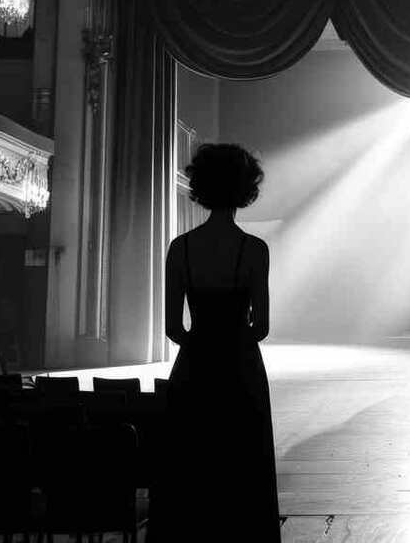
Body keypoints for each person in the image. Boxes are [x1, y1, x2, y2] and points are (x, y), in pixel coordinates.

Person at [149, 144, 280, 541]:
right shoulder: (254, 250)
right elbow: (261, 327)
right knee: (242, 468)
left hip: (195, 369)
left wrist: (201, 345)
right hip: (241, 368)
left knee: (190, 467)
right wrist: (233, 342)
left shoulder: (181, 248)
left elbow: (174, 327)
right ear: (245, 189)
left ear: (201, 187)